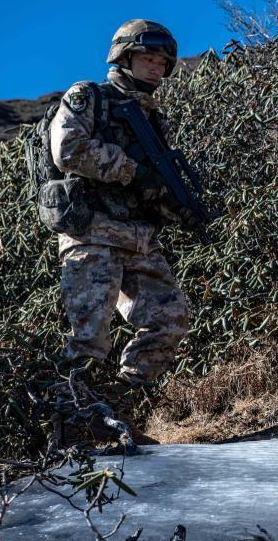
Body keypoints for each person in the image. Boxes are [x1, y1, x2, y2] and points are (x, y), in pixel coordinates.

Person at [51, 20, 189, 403]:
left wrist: (172, 204)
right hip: (92, 233)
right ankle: (71, 419)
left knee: (169, 319)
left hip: (138, 239)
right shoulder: (89, 96)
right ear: (124, 57)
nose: (156, 69)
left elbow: (155, 184)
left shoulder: (154, 119)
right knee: (89, 339)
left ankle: (120, 405)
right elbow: (68, 150)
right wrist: (133, 170)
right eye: (149, 59)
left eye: (162, 63)